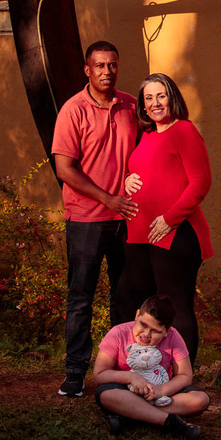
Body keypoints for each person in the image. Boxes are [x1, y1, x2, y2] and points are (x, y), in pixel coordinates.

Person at [51, 40, 140, 397]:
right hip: (87, 219)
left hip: (127, 218)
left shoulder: (132, 105)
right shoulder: (73, 110)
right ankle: (75, 373)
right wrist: (108, 199)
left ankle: (124, 369)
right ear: (87, 70)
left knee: (125, 296)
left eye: (112, 65)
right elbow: (64, 169)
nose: (107, 71)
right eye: (100, 66)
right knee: (81, 298)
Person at [116, 72, 213, 364]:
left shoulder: (184, 130)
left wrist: (170, 219)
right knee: (129, 300)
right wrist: (126, 180)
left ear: (172, 98)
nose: (155, 103)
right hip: (140, 235)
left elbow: (201, 182)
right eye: (148, 98)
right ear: (142, 106)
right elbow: (144, 171)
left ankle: (182, 376)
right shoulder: (145, 135)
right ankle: (137, 365)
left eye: (161, 96)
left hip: (175, 233)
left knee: (175, 305)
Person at [94, 293, 210, 439]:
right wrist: (130, 377)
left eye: (155, 331)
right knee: (106, 395)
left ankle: (131, 416)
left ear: (167, 331)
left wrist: (161, 391)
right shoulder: (118, 333)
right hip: (126, 391)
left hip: (160, 392)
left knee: (200, 399)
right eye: (143, 324)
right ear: (137, 315)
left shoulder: (174, 337)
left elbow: (185, 376)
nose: (146, 334)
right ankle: (171, 422)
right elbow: (99, 374)